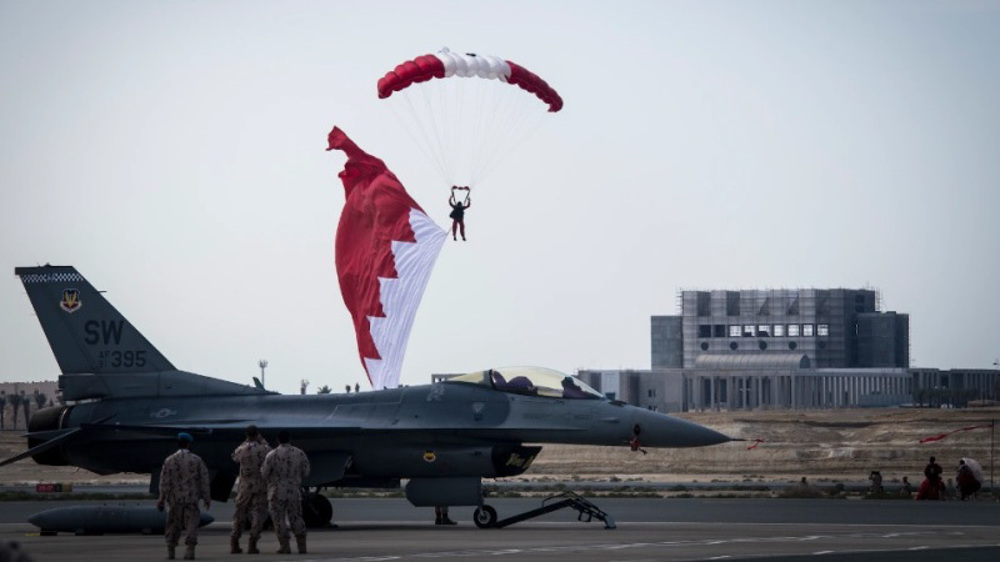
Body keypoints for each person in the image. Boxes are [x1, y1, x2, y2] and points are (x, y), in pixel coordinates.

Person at [157, 432, 211, 560]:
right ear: (189, 444)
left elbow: (164, 481)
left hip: (174, 499)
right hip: (191, 498)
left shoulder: (169, 460)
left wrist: (161, 498)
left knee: (173, 524)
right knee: (192, 523)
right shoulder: (196, 460)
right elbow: (204, 480)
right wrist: (207, 498)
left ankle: (171, 551)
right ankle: (190, 550)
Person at [261, 430, 311, 554]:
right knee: (296, 517)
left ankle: (285, 546)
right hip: (294, 490)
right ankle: (302, 546)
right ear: (289, 439)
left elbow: (264, 473)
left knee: (278, 519)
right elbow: (306, 472)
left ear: (278, 440)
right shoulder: (299, 453)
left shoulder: (272, 455)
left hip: (277, 491)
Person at [230, 425, 271, 554]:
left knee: (240, 514)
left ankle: (234, 543)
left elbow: (234, 457)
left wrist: (246, 442)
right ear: (257, 434)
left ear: (246, 435)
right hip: (260, 486)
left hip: (244, 487)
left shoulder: (241, 449)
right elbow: (271, 455)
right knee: (258, 515)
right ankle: (252, 544)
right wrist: (262, 440)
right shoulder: (264, 449)